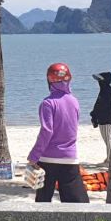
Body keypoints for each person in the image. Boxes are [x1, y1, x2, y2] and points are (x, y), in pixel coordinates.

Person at [28, 63, 89, 203]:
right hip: (70, 158)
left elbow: (46, 131)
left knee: (43, 201)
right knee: (76, 203)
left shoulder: (48, 103)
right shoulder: (74, 102)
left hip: (48, 158)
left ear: (49, 80)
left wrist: (34, 155)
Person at [90, 72, 111, 164]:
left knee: (108, 139)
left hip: (106, 120)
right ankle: (108, 157)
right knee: (107, 139)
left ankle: (109, 159)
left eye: (100, 80)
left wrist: (95, 114)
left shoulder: (107, 91)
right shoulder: (104, 91)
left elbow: (102, 106)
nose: (99, 82)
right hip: (103, 119)